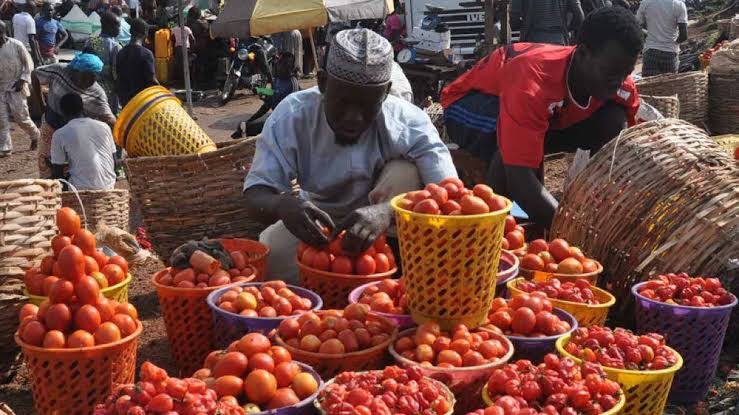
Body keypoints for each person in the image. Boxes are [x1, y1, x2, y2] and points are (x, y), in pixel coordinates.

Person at [242, 29, 457, 284]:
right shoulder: (292, 116)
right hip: (319, 220)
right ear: (322, 84)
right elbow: (256, 193)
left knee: (405, 172)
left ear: (385, 93)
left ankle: (400, 265)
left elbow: (450, 195)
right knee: (272, 255)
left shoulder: (408, 122)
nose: (354, 118)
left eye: (368, 107)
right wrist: (282, 205)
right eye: (342, 103)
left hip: (393, 227)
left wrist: (390, 212)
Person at [441, 7, 643, 228]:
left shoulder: (620, 86)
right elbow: (520, 177)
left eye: (626, 73)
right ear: (583, 53)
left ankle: (584, 209)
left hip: (536, 112)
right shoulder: (533, 80)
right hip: (469, 105)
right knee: (509, 149)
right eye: (611, 72)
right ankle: (492, 229)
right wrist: (571, 229)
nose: (618, 81)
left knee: (613, 119)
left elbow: (620, 151)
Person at [33, 52, 116, 177]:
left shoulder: (97, 93)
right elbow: (35, 74)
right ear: (75, 71)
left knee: (70, 168)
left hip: (74, 133)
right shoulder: (59, 70)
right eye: (86, 76)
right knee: (46, 164)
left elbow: (108, 118)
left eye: (93, 76)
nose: (90, 81)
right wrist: (41, 104)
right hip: (51, 123)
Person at [51, 93, 116, 190]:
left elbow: (57, 174)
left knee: (52, 181)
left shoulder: (60, 134)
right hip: (109, 185)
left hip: (80, 189)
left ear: (62, 113)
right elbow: (114, 160)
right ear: (83, 108)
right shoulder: (104, 126)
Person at [231, 52, 300, 139]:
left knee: (248, 129)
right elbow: (268, 104)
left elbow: (292, 110)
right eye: (279, 64)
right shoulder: (277, 80)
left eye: (282, 64)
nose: (279, 67)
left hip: (286, 122)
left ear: (289, 67)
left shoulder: (293, 83)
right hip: (275, 117)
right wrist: (250, 120)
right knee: (243, 126)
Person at [0, 21, 39, 156]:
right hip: (0, 87)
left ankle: (35, 135)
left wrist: (22, 80)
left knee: (21, 118)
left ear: (3, 32)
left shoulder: (16, 45)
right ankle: (5, 148)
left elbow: (28, 63)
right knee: (1, 119)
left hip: (15, 86)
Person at [636, 0, 688, 76]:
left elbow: (636, 26)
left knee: (649, 85)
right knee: (670, 86)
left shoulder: (646, 3)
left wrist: (648, 34)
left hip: (650, 52)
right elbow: (684, 36)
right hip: (670, 53)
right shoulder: (679, 4)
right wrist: (673, 43)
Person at [85, 11, 122, 113]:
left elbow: (84, 64)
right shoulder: (115, 46)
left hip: (89, 88)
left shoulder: (90, 41)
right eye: (118, 26)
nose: (120, 29)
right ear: (109, 26)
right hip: (108, 92)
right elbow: (115, 74)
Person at [116, 18, 157, 107]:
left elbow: (118, 77)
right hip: (142, 102)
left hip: (125, 101)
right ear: (144, 33)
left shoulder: (121, 52)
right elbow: (151, 80)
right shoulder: (146, 54)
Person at [511, 0, 585, 45]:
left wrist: (522, 25)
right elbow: (579, 16)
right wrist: (567, 29)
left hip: (532, 42)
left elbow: (514, 20)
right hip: (560, 41)